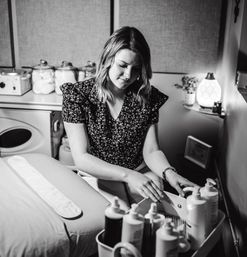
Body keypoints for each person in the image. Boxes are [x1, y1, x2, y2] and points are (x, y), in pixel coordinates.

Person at [61, 26, 196, 208]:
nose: (128, 76)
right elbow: (81, 157)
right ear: (108, 59)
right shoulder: (78, 95)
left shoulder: (147, 97)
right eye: (123, 66)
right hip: (99, 174)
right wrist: (128, 175)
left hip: (139, 172)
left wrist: (169, 173)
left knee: (154, 216)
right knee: (120, 217)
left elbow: (151, 151)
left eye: (136, 69)